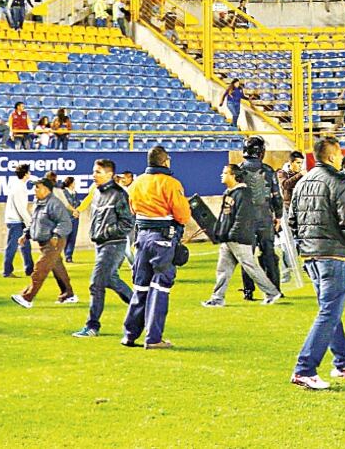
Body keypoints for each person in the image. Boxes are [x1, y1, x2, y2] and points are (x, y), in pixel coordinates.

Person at [290, 137, 345, 390]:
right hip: (335, 254)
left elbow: (292, 220)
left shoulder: (302, 183)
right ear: (332, 157)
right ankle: (305, 369)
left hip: (311, 255)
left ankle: (343, 362)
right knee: (329, 311)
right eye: (340, 154)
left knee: (330, 309)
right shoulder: (339, 182)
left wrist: (305, 246)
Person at [121, 146, 191, 349]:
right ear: (165, 161)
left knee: (140, 286)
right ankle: (153, 338)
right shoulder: (170, 183)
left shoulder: (137, 183)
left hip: (141, 238)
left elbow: (133, 209)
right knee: (160, 287)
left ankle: (129, 335)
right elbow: (182, 215)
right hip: (163, 239)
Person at [203, 164, 282, 308]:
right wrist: (220, 232)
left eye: (225, 173)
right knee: (223, 269)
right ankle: (217, 298)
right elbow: (225, 216)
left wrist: (232, 235)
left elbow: (242, 218)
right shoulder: (230, 193)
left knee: (250, 267)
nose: (222, 175)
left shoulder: (243, 194)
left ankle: (271, 292)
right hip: (229, 239)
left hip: (239, 238)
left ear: (234, 176)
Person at [72, 159, 134, 337]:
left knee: (96, 283)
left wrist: (106, 232)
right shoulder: (97, 193)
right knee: (111, 280)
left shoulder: (119, 194)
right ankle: (141, 307)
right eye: (94, 171)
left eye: (98, 172)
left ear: (109, 175)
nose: (94, 175)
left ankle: (92, 326)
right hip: (101, 244)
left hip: (113, 244)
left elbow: (127, 223)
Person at [10, 177, 77, 308]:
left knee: (40, 268)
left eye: (37, 187)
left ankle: (27, 297)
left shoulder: (54, 204)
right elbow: (35, 222)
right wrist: (26, 234)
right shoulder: (38, 202)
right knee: (58, 269)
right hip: (44, 241)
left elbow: (65, 223)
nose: (34, 190)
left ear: (46, 189)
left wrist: (56, 235)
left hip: (53, 242)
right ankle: (68, 294)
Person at [238, 136, 285, 300]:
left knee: (247, 256)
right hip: (264, 217)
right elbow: (276, 196)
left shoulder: (238, 170)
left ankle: (248, 291)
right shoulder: (268, 171)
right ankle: (274, 288)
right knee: (269, 254)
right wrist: (278, 216)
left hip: (244, 219)